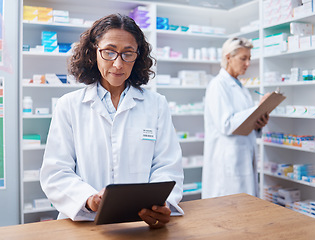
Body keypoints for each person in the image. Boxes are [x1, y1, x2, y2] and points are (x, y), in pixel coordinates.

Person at [40, 13, 184, 229]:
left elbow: (167, 166)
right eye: (109, 52)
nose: (118, 64)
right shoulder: (69, 105)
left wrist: (162, 205)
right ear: (93, 52)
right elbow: (56, 172)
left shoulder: (156, 104)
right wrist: (89, 199)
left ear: (138, 56)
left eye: (128, 54)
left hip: (141, 223)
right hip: (86, 223)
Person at [202, 37, 269, 199]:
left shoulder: (241, 87)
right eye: (243, 58)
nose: (247, 64)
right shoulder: (218, 85)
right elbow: (226, 124)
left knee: (245, 209)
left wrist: (259, 123)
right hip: (227, 160)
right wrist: (257, 109)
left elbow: (244, 122)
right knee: (228, 210)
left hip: (243, 155)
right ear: (228, 58)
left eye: (249, 59)